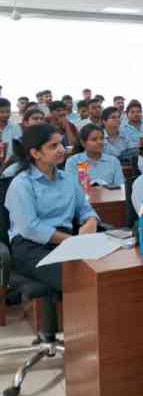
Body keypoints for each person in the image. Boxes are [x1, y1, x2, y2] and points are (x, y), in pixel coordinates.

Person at [5, 123, 99, 342]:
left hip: (66, 239)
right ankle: (84, 343)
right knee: (80, 279)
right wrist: (71, 241)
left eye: (62, 144)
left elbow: (84, 207)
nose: (61, 150)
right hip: (29, 246)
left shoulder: (67, 178)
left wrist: (91, 220)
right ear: (35, 153)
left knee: (103, 269)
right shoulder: (22, 184)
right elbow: (30, 227)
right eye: (53, 146)